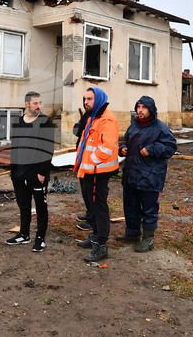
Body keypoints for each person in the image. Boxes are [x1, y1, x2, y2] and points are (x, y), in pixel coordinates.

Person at [116, 96, 177, 252]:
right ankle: (132, 233)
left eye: (144, 107)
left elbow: (170, 147)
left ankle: (148, 239)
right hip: (131, 173)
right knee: (130, 205)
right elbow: (126, 142)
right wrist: (122, 148)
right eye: (138, 107)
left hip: (150, 175)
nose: (140, 110)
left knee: (149, 207)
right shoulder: (134, 126)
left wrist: (152, 149)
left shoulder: (160, 128)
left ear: (151, 110)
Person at [5, 91, 56, 252]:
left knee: (41, 207)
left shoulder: (45, 122)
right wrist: (13, 170)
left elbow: (48, 149)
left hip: (37, 174)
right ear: (27, 104)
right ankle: (24, 234)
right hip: (19, 173)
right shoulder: (18, 122)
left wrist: (42, 172)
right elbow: (15, 147)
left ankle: (40, 238)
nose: (39, 106)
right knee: (24, 206)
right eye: (35, 103)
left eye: (40, 103)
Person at [73, 87, 119, 262]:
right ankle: (94, 236)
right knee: (91, 208)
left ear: (98, 99)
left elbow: (106, 149)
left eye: (89, 99)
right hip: (88, 171)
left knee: (99, 208)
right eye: (85, 99)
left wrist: (91, 161)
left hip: (97, 172)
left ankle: (101, 245)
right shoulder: (94, 117)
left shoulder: (107, 120)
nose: (86, 102)